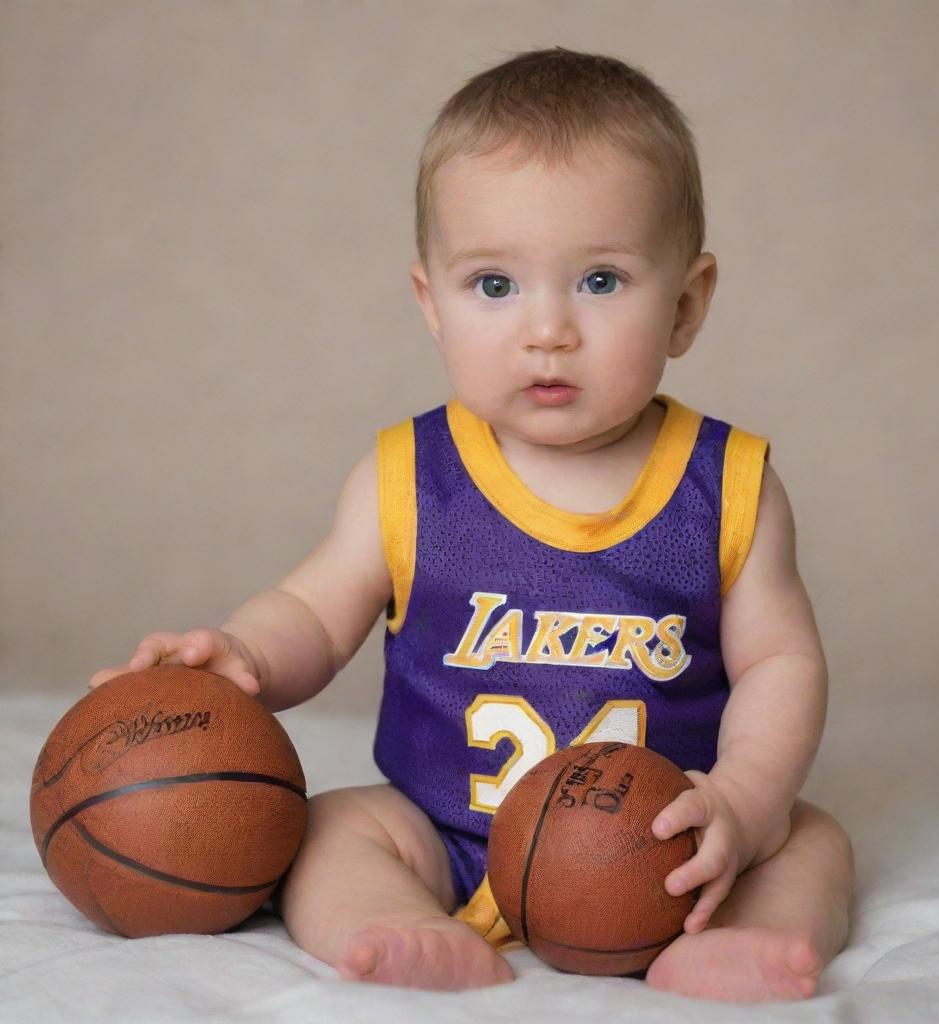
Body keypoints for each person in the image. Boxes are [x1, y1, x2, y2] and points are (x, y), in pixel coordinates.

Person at [89, 46, 855, 1002]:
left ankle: (733, 939)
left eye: (602, 281)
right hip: (445, 830)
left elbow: (783, 664)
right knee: (332, 829)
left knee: (809, 836)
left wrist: (742, 800)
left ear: (686, 305)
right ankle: (396, 922)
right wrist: (245, 654)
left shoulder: (728, 486)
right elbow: (315, 612)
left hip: (662, 851)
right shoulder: (409, 477)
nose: (547, 329)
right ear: (432, 303)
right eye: (495, 285)